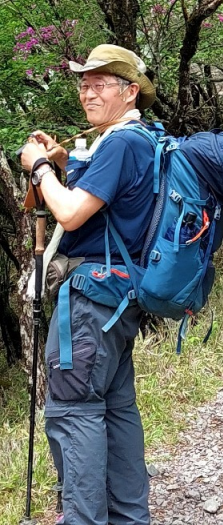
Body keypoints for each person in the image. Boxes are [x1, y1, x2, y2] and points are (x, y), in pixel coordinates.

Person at [20, 44, 158, 525]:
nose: (87, 93)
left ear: (130, 91)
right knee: (116, 412)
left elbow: (73, 212)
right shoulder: (139, 138)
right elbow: (102, 205)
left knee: (73, 412)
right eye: (83, 84)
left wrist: (37, 166)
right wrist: (60, 162)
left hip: (91, 302)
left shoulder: (119, 143)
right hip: (120, 300)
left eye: (100, 83)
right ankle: (127, 518)